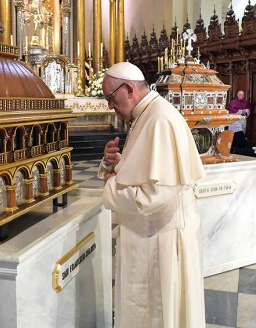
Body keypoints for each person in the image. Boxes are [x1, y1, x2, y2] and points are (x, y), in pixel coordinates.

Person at [97, 62, 207, 327]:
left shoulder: (159, 119)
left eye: (111, 98)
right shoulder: (145, 114)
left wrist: (110, 187)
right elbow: (147, 171)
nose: (110, 106)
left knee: (156, 314)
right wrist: (114, 163)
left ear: (129, 90)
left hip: (160, 244)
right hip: (149, 237)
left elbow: (156, 195)